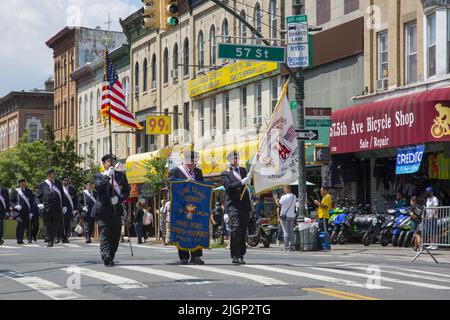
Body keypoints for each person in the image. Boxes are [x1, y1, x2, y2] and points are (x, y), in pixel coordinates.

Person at [169, 150, 205, 265]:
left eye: (195, 160)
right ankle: (183, 256)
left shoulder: (198, 172)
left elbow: (202, 187)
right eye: (192, 160)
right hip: (181, 207)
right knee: (183, 230)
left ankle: (196, 255)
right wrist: (184, 183)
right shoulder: (176, 171)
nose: (194, 163)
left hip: (195, 207)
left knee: (196, 230)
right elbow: (170, 186)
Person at [94, 154, 130, 267]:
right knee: (105, 235)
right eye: (109, 161)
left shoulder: (120, 176)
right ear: (103, 164)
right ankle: (105, 255)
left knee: (115, 236)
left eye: (113, 161)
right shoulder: (99, 175)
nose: (111, 163)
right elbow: (98, 187)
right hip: (103, 211)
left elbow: (127, 191)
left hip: (116, 210)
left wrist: (119, 199)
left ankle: (111, 255)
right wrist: (107, 176)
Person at [221, 150, 252, 265]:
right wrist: (241, 182)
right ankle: (235, 255)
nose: (235, 159)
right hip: (233, 205)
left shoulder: (243, 170)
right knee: (235, 228)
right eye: (233, 157)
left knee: (243, 230)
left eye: (236, 157)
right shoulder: (225, 173)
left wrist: (250, 178)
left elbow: (248, 183)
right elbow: (228, 187)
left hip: (244, 205)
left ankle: (241, 254)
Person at [37, 170, 64, 247]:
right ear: (47, 175)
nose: (52, 176)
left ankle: (52, 237)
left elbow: (62, 194)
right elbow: (38, 196)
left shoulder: (58, 183)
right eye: (51, 174)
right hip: (47, 208)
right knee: (48, 224)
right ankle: (50, 240)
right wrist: (39, 204)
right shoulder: (42, 184)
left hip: (57, 207)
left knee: (56, 224)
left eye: (53, 174)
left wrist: (64, 205)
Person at [10, 179, 38, 244]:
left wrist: (31, 212)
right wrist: (15, 206)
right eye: (21, 183)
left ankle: (29, 238)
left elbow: (32, 202)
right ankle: (19, 239)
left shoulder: (29, 191)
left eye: (24, 183)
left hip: (27, 211)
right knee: (20, 225)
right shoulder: (15, 191)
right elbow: (10, 201)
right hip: (18, 212)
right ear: (19, 184)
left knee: (29, 225)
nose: (23, 184)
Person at [274, 185, 297, 252]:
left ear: (288, 189)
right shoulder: (294, 196)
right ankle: (292, 246)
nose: (283, 190)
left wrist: (276, 199)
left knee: (285, 232)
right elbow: (294, 205)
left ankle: (286, 247)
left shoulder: (283, 197)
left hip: (284, 216)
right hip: (292, 215)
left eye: (284, 189)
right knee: (291, 231)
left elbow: (278, 205)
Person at [60, 176, 78, 243]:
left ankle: (65, 237)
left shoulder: (72, 189)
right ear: (62, 181)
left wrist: (75, 209)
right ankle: (59, 236)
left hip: (69, 209)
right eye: (64, 180)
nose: (66, 181)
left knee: (67, 224)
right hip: (61, 209)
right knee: (61, 224)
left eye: (67, 180)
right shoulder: (59, 188)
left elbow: (75, 199)